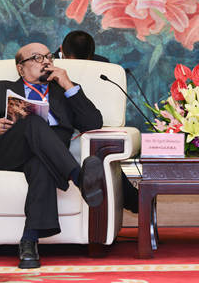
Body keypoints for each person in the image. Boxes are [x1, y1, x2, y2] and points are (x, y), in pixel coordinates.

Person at [0, 43, 105, 269]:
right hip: (5, 155)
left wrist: (67, 84)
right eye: (37, 58)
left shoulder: (63, 92)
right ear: (20, 68)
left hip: (46, 158)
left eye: (48, 57)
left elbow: (93, 123)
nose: (46, 61)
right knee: (33, 121)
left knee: (40, 164)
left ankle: (29, 242)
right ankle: (78, 177)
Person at [55, 30, 139, 213]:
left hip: (92, 123)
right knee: (95, 154)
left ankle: (133, 202)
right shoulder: (50, 65)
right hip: (63, 129)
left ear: (92, 56)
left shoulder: (103, 66)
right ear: (61, 50)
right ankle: (134, 201)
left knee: (101, 147)